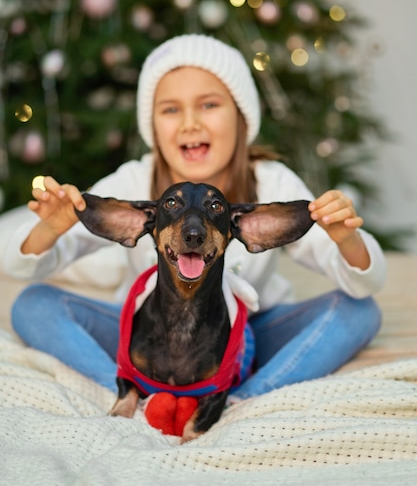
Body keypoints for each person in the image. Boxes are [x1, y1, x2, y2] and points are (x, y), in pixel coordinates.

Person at [3, 34, 386, 399]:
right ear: (152, 125)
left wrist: (344, 236)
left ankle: (245, 399)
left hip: (248, 332)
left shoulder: (272, 182)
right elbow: (22, 266)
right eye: (171, 109)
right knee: (33, 304)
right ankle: (131, 391)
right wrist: (51, 227)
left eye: (209, 105)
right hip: (149, 336)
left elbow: (365, 280)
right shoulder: (135, 179)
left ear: (241, 118)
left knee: (358, 312)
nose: (190, 123)